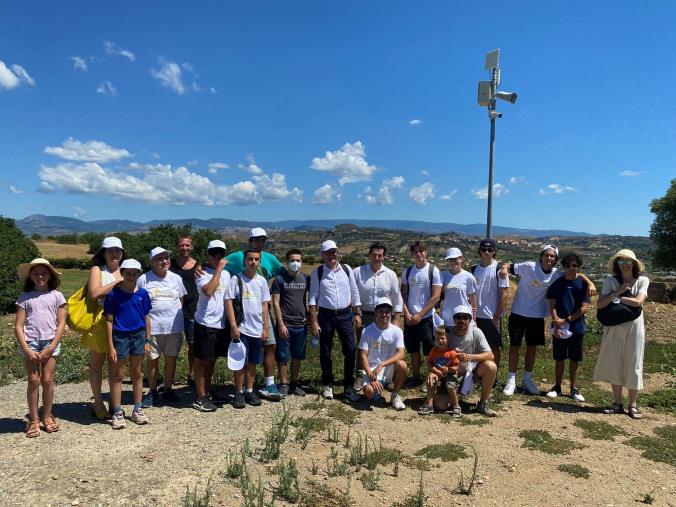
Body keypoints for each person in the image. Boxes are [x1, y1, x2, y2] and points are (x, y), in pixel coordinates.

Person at [501, 245, 596, 396]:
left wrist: (590, 282)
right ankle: (511, 381)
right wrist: (504, 268)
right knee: (514, 346)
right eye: (547, 255)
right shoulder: (528, 267)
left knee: (532, 348)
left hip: (537, 315)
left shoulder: (556, 274)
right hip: (518, 312)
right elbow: (508, 266)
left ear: (556, 260)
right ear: (541, 256)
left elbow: (575, 273)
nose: (549, 258)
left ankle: (527, 379)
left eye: (552, 256)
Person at [226, 227, 284, 401]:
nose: (259, 243)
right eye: (256, 240)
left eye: (262, 240)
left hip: (260, 320)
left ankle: (263, 385)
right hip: (242, 321)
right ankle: (239, 391)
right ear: (249, 242)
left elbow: (283, 275)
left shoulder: (269, 260)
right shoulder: (236, 259)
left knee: (265, 350)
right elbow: (218, 262)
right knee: (241, 358)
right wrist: (201, 267)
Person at [594, 249, 649, 419]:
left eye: (628, 261)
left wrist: (617, 298)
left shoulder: (642, 280)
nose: (624, 264)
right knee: (616, 361)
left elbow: (639, 301)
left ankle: (633, 404)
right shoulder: (610, 280)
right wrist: (618, 292)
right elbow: (600, 305)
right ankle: (617, 402)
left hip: (635, 327)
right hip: (615, 326)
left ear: (633, 263)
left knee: (634, 363)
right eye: (621, 261)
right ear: (617, 264)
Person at [15, 258, 66, 437]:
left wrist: (52, 346)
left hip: (50, 342)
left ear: (50, 275)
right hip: (31, 343)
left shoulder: (57, 296)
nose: (40, 276)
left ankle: (47, 415)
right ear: (30, 276)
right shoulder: (25, 298)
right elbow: (19, 326)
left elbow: (61, 324)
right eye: (36, 273)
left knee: (47, 379)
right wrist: (27, 349)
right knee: (33, 380)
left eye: (43, 273)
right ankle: (34, 419)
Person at [309, 240, 362, 401]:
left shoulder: (346, 270)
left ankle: (348, 386)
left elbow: (354, 291)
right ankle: (328, 384)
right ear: (322, 255)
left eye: (334, 252)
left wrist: (358, 313)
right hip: (326, 315)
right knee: (325, 351)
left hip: (346, 315)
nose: (332, 255)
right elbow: (312, 298)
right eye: (328, 252)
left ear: (337, 252)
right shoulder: (317, 273)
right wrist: (314, 320)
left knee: (351, 349)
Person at [104, 259, 152, 429]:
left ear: (139, 275)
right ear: (122, 274)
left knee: (137, 373)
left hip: (139, 335)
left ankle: (137, 409)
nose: (131, 276)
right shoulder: (113, 295)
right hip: (121, 336)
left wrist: (147, 340)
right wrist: (111, 346)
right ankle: (117, 411)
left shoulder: (143, 294)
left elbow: (146, 317)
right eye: (128, 273)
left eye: (134, 273)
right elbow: (109, 321)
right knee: (118, 374)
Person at [138, 247, 187, 408]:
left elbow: (181, 300)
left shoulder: (176, 279)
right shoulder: (144, 279)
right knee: (152, 360)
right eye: (159, 259)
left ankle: (168, 389)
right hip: (153, 328)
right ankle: (152, 391)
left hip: (173, 327)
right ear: (152, 262)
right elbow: (139, 302)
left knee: (171, 359)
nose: (164, 261)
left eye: (166, 258)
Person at [82, 236, 125, 420]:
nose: (114, 253)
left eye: (117, 250)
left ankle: (115, 403)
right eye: (110, 250)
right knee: (97, 363)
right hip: (101, 320)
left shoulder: (126, 269)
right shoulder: (97, 270)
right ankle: (98, 403)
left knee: (116, 364)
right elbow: (94, 293)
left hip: (122, 320)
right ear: (104, 253)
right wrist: (118, 283)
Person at [225, 249, 272, 409]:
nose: (253, 262)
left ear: (260, 261)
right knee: (239, 362)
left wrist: (265, 327)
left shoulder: (262, 281)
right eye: (250, 259)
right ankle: (238, 392)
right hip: (241, 328)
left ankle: (249, 390)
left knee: (252, 361)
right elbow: (228, 301)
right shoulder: (236, 279)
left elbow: (265, 305)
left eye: (256, 259)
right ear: (244, 261)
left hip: (257, 328)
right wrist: (233, 325)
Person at [436, 305, 498, 417]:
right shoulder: (447, 334)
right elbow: (436, 354)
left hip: (471, 373)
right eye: (458, 317)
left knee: (491, 366)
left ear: (470, 319)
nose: (462, 320)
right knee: (441, 405)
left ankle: (483, 402)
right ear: (454, 319)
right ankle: (455, 396)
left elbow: (490, 355)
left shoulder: (476, 332)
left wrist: (470, 357)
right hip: (452, 374)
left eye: (465, 317)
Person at [192, 240, 231, 412]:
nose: (217, 257)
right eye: (214, 253)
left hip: (221, 322)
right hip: (205, 322)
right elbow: (208, 291)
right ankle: (200, 396)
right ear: (208, 255)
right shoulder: (201, 273)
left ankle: (207, 391)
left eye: (221, 253)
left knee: (212, 359)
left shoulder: (227, 275)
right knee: (201, 360)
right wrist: (219, 270)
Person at [545, 252, 590, 402]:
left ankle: (573, 388)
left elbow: (584, 307)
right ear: (564, 267)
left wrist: (568, 320)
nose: (571, 268)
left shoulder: (582, 285)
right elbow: (552, 305)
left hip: (576, 327)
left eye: (574, 265)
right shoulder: (557, 284)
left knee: (574, 359)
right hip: (559, 327)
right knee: (559, 358)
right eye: (568, 266)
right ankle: (557, 386)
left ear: (578, 266)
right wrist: (557, 320)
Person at [401, 241, 442, 388]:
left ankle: (430, 378)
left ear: (426, 253)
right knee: (413, 349)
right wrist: (407, 313)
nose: (419, 254)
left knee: (429, 350)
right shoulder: (408, 271)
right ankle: (416, 377)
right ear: (412, 254)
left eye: (422, 251)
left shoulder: (433, 270)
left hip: (426, 318)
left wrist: (420, 313)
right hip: (410, 318)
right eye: (416, 252)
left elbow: (436, 296)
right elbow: (403, 295)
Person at [357, 297, 408, 410]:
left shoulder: (397, 331)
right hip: (372, 370)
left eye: (387, 312)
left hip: (387, 368)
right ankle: (377, 390)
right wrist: (371, 376)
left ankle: (395, 395)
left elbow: (401, 354)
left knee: (402, 365)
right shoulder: (367, 330)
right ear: (375, 312)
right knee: (369, 392)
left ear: (391, 313)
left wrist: (382, 364)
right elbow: (363, 355)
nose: (384, 314)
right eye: (381, 311)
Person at [271, 248, 310, 397]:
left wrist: (312, 316)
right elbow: (275, 303)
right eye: (292, 260)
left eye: (298, 260)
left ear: (302, 262)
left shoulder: (307, 279)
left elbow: (314, 299)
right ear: (287, 262)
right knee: (282, 356)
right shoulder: (279, 280)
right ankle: (283, 384)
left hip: (302, 325)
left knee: (297, 356)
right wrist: (280, 324)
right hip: (285, 324)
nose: (295, 263)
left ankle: (294, 384)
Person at [470, 238, 509, 369]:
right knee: (476, 346)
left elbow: (504, 294)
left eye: (490, 249)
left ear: (494, 252)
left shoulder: (499, 270)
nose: (487, 252)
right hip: (475, 316)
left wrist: (497, 316)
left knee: (494, 347)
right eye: (484, 249)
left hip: (490, 316)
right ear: (479, 251)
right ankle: (479, 374)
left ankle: (493, 375)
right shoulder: (474, 269)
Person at [170, 235, 199, 387]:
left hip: (193, 308)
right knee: (172, 344)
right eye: (182, 245)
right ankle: (170, 376)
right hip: (173, 310)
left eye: (187, 245)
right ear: (177, 247)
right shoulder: (170, 265)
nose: (185, 248)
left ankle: (192, 374)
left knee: (192, 344)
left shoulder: (198, 266)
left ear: (192, 247)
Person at [418, 326, 460, 416]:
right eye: (437, 339)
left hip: (450, 374)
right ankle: (429, 405)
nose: (440, 341)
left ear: (448, 339)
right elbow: (429, 362)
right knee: (431, 381)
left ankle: (456, 406)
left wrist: (449, 369)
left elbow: (456, 367)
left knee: (450, 385)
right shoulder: (434, 350)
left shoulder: (452, 353)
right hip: (437, 373)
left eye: (443, 338)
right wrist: (434, 369)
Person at [440, 247, 478, 325]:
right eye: (451, 259)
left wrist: (473, 319)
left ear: (461, 259)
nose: (453, 262)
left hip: (463, 318)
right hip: (447, 318)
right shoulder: (443, 276)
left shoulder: (468, 277)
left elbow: (473, 299)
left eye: (455, 259)